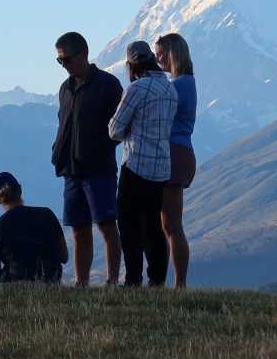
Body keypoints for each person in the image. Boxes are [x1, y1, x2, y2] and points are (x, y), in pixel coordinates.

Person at [50, 31, 124, 287]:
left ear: (83, 55)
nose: (64, 65)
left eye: (67, 59)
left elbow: (121, 125)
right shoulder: (65, 88)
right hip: (71, 169)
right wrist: (57, 150)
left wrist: (101, 148)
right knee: (79, 228)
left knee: (105, 224)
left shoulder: (108, 85)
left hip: (98, 169)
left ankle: (112, 280)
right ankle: (82, 283)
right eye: (59, 61)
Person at [108, 40, 176, 287]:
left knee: (128, 225)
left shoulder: (137, 89)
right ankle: (157, 279)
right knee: (153, 226)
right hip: (161, 168)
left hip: (136, 164)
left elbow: (114, 129)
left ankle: (133, 278)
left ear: (131, 64)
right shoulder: (169, 89)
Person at [155, 32, 198, 289]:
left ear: (173, 54)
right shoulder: (185, 83)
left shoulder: (177, 86)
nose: (159, 60)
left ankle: (179, 282)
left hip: (174, 153)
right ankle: (175, 281)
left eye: (161, 54)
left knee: (171, 224)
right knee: (168, 223)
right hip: (180, 152)